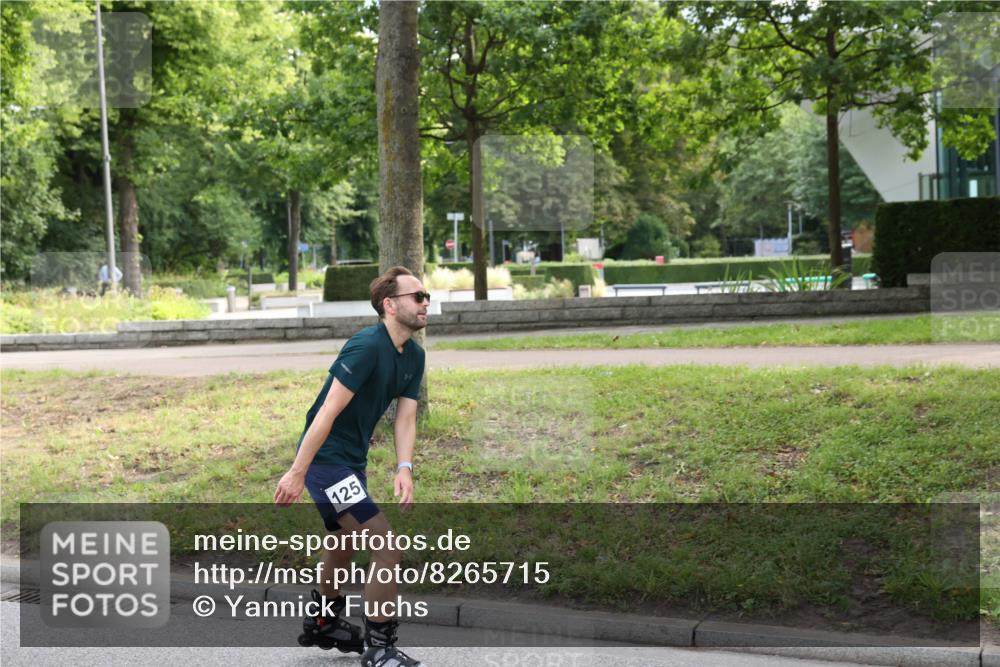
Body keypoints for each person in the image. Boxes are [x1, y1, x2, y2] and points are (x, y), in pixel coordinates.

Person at [274, 266, 428, 667]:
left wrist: (405, 466)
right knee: (387, 548)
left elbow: (405, 418)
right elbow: (327, 410)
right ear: (390, 305)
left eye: (426, 296)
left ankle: (323, 622)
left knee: (342, 546)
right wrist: (298, 470)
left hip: (348, 464)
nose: (425, 302)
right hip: (326, 464)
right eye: (417, 296)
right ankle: (380, 648)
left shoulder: (414, 355)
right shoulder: (365, 346)